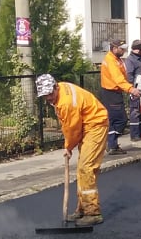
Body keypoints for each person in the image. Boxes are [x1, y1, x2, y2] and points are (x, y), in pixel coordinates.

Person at [35, 74, 108, 226]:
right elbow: (70, 126)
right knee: (82, 169)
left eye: (50, 94)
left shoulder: (66, 103)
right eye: (45, 95)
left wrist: (68, 147)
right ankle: (82, 209)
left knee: (86, 168)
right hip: (86, 124)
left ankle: (93, 212)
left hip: (95, 125)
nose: (48, 98)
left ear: (55, 87)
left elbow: (72, 129)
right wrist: (69, 144)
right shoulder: (61, 88)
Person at [100, 39, 141, 155]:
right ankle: (111, 142)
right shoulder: (111, 61)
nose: (124, 50)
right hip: (111, 93)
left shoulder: (116, 59)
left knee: (114, 120)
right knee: (121, 120)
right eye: (121, 48)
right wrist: (131, 89)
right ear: (114, 48)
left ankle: (112, 145)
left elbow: (123, 77)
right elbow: (118, 79)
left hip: (114, 93)